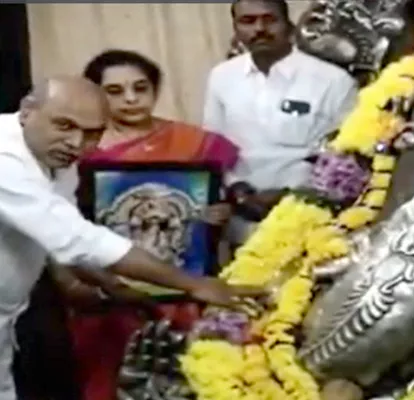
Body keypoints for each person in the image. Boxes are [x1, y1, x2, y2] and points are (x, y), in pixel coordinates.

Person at [0, 75, 264, 400]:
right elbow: (79, 240)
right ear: (27, 112)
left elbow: (66, 239)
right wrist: (194, 283)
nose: (77, 143)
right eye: (64, 126)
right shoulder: (5, 160)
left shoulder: (55, 154)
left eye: (92, 133)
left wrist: (114, 287)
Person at [53, 49, 242, 400]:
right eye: (115, 91)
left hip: (182, 290)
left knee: (186, 377)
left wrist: (218, 213)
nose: (130, 99)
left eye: (140, 88)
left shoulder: (194, 143)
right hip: (104, 290)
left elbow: (215, 199)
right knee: (109, 379)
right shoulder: (77, 153)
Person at [203, 0, 359, 245]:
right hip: (240, 212)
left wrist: (291, 196)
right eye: (248, 21)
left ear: (289, 25)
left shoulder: (333, 80)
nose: (259, 28)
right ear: (235, 28)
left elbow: (346, 157)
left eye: (270, 19)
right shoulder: (222, 77)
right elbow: (214, 146)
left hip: (310, 215)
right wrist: (239, 193)